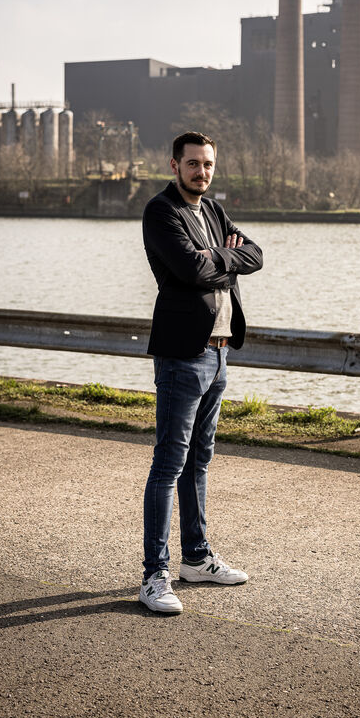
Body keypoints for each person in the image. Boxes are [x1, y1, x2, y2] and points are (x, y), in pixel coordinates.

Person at [139, 130, 263, 614]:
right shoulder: (161, 211)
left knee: (199, 461)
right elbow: (190, 271)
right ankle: (154, 575)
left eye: (208, 164)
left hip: (219, 353)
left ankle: (196, 557)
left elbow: (255, 255)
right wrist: (220, 260)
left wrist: (218, 257)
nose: (202, 172)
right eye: (193, 163)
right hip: (182, 356)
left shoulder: (212, 210)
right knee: (169, 464)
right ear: (174, 165)